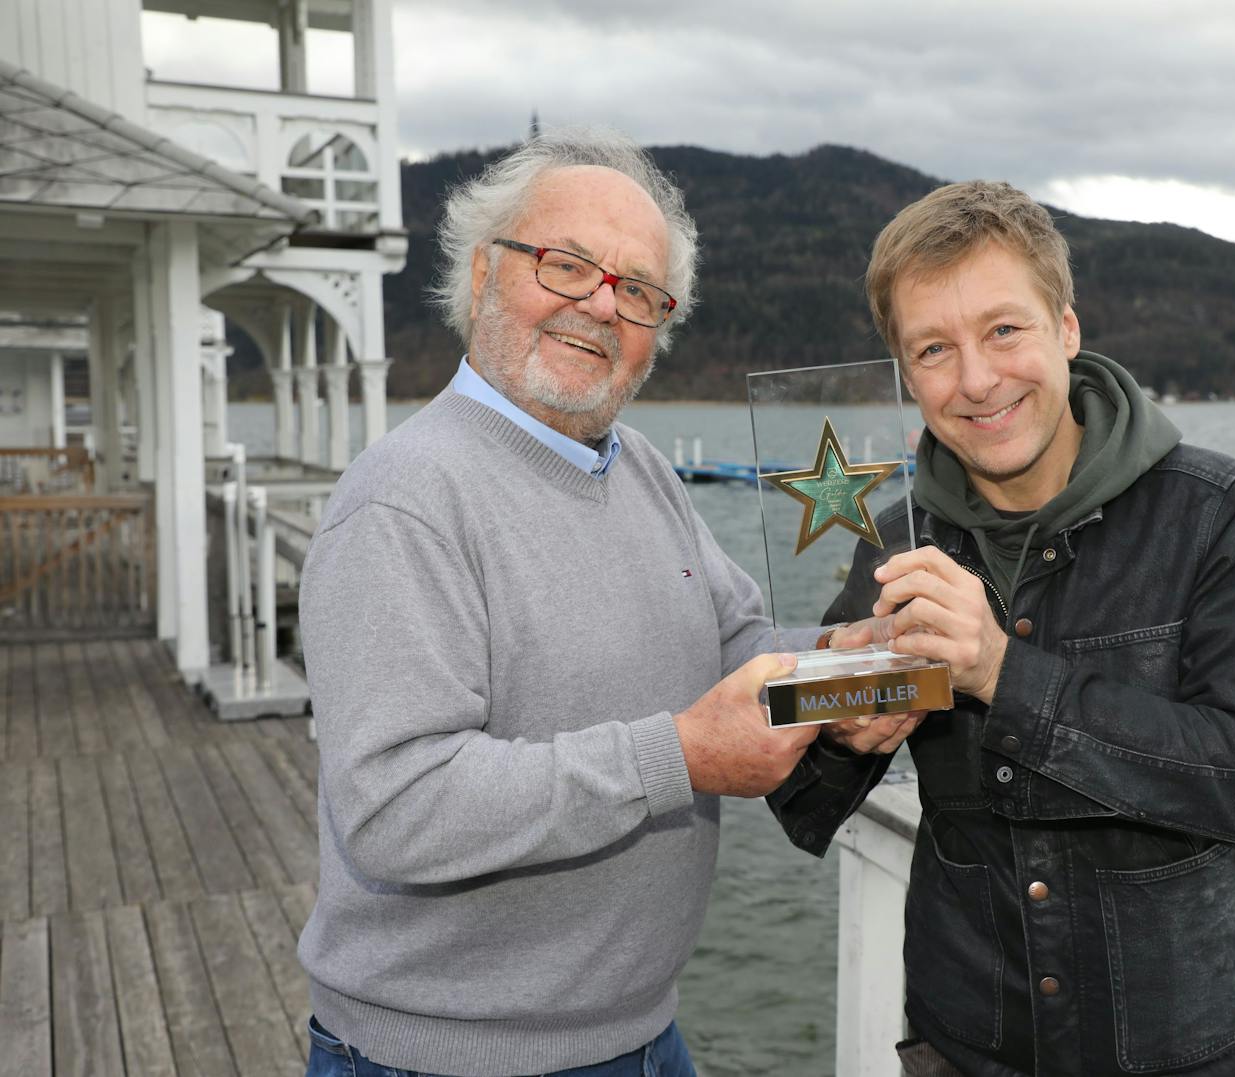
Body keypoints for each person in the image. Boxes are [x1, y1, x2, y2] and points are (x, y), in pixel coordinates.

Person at [295, 128, 884, 1077]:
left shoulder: (642, 468)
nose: (601, 306)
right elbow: (395, 809)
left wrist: (848, 660)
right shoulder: (402, 499)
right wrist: (681, 755)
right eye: (567, 265)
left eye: (640, 291)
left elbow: (733, 640)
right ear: (485, 272)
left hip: (644, 1035)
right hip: (447, 1060)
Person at [770, 181, 1235, 1077]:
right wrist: (833, 716)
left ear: (1066, 329)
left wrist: (1002, 672)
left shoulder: (1216, 511)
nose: (977, 380)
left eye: (1003, 330)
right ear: (907, 374)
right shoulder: (895, 543)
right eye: (934, 349)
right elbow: (801, 805)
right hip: (968, 1043)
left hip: (1181, 1050)